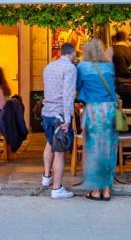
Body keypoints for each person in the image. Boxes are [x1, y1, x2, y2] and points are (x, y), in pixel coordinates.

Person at [76, 38, 118, 201]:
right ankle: (106, 190)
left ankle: (95, 190)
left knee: (93, 150)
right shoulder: (109, 66)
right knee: (108, 148)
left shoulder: (82, 66)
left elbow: (78, 87)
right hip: (109, 110)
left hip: (93, 110)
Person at [41, 42, 77, 199]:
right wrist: (68, 118)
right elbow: (68, 94)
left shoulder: (48, 67)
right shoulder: (70, 68)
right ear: (73, 53)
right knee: (60, 152)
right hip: (60, 115)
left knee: (50, 142)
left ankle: (46, 177)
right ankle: (57, 189)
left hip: (47, 113)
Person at [111, 30, 131, 108]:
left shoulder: (109, 51)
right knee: (128, 115)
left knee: (112, 115)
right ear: (126, 39)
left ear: (115, 39)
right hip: (128, 88)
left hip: (112, 87)